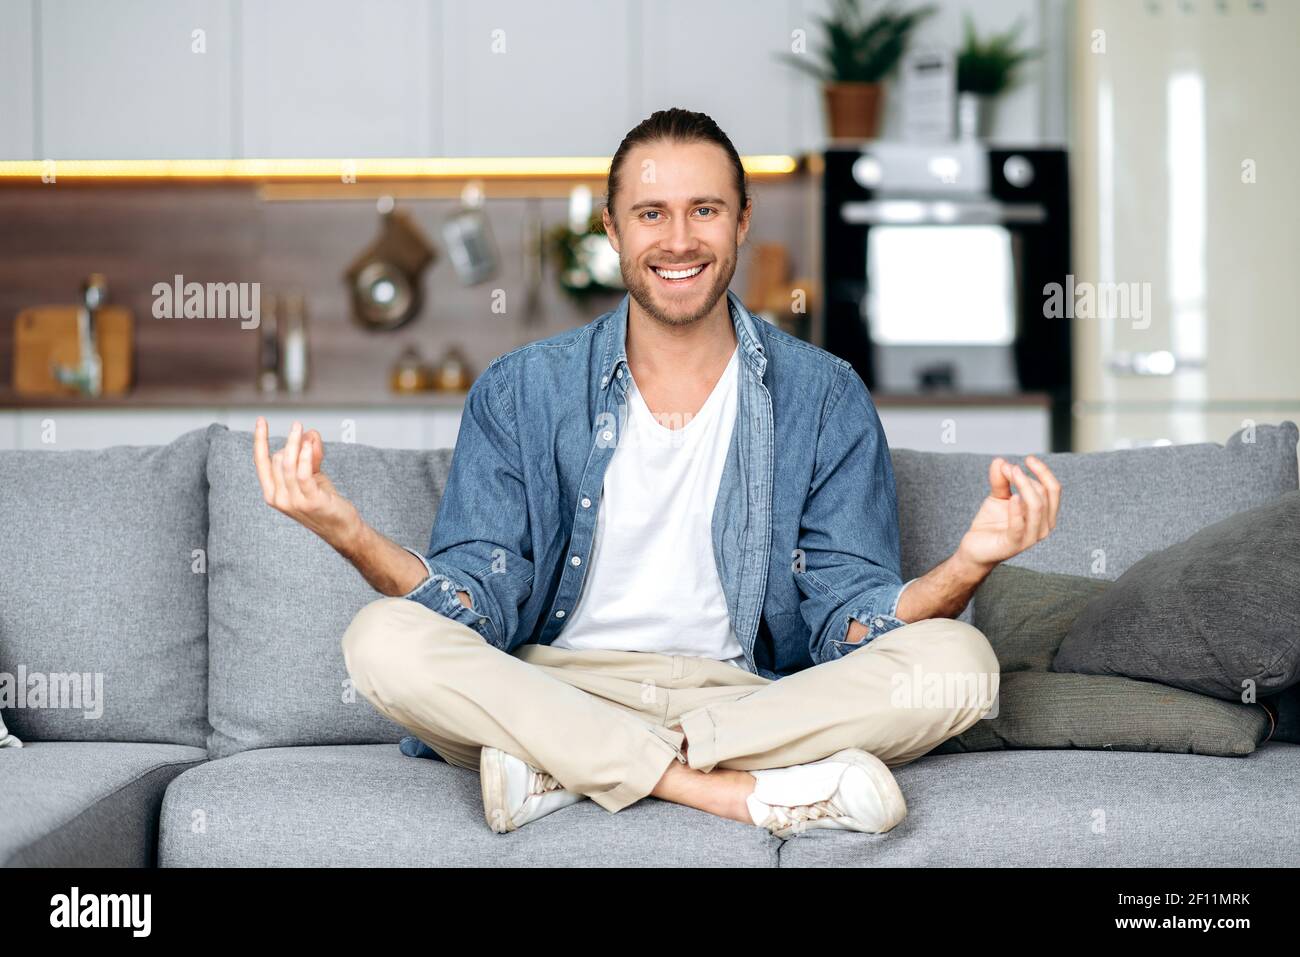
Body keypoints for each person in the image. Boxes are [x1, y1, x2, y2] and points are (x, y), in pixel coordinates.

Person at [252, 108, 1061, 838]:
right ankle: (732, 792)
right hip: (559, 685)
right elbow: (478, 603)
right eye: (652, 213)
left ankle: (563, 768)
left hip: (747, 698)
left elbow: (844, 618)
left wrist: (969, 564)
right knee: (381, 639)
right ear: (612, 228)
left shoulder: (824, 393)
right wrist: (349, 534)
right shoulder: (521, 388)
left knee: (961, 665)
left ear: (742, 221)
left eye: (704, 209)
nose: (679, 240)